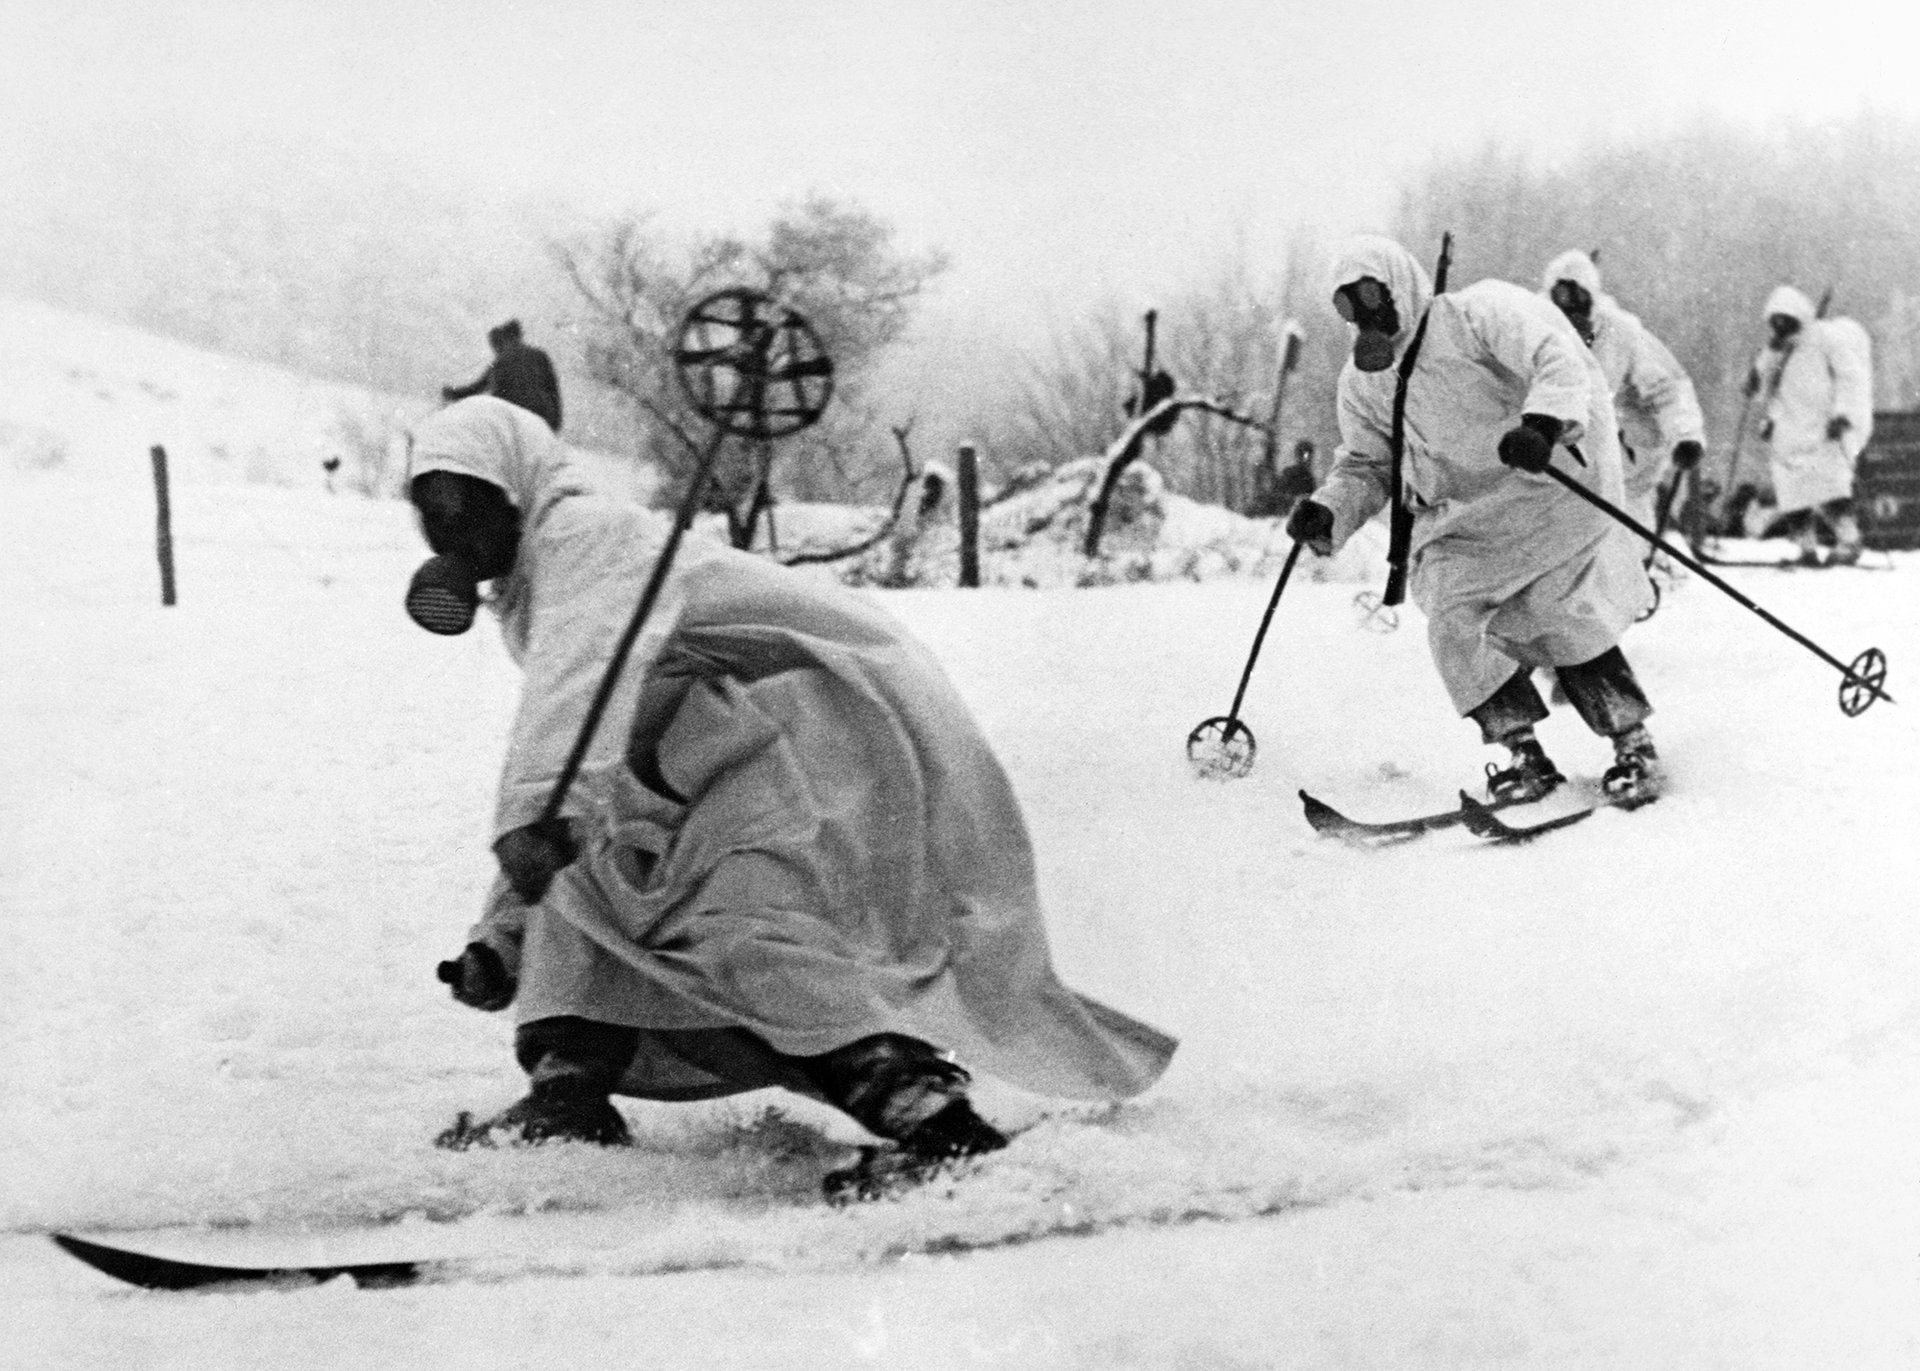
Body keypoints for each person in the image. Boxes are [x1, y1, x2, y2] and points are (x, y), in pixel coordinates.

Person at [403, 396, 1176, 1200]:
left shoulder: (584, 536)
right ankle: (567, 1093)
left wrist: (532, 814)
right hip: (723, 744)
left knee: (747, 924)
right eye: (432, 514)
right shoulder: (541, 587)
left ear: (517, 489)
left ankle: (938, 1124)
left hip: (817, 718)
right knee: (587, 884)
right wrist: (503, 933)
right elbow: (580, 761)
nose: (453, 534)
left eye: (467, 505)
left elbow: (576, 692)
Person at [1284, 235, 1662, 804]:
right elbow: (1367, 464)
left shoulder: (1475, 317)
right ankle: (1523, 753)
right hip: (1463, 524)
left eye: (1373, 294)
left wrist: (1543, 423)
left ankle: (1633, 744)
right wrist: (1330, 509)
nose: (1367, 314)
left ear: (1399, 283)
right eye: (1349, 305)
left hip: (1541, 496)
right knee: (1454, 623)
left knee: (1561, 616)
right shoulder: (1362, 384)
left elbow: (1554, 358)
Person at [1540, 251, 1706, 531]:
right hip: (1558, 457)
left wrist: (1685, 435)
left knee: (1623, 527)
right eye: (1562, 301)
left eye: (1579, 299)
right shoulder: (1537, 328)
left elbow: (1665, 387)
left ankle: (1639, 566)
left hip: (1621, 456)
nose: (1572, 313)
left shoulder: (1621, 332)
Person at [1746, 286, 1874, 565]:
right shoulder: (1775, 349)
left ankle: (1849, 542)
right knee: (1792, 493)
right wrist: (1756, 384)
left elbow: (1849, 376)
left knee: (1831, 489)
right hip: (1788, 431)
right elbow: (1764, 387)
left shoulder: (1824, 338)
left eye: (1786, 319)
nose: (1780, 326)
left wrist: (1843, 413)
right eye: (1776, 320)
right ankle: (1806, 548)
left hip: (1822, 428)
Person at [443, 319, 564, 432]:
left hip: (515, 420)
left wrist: (452, 394)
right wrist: (555, 422)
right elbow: (553, 391)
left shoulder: (501, 362)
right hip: (542, 419)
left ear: (503, 341)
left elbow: (477, 389)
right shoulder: (540, 355)